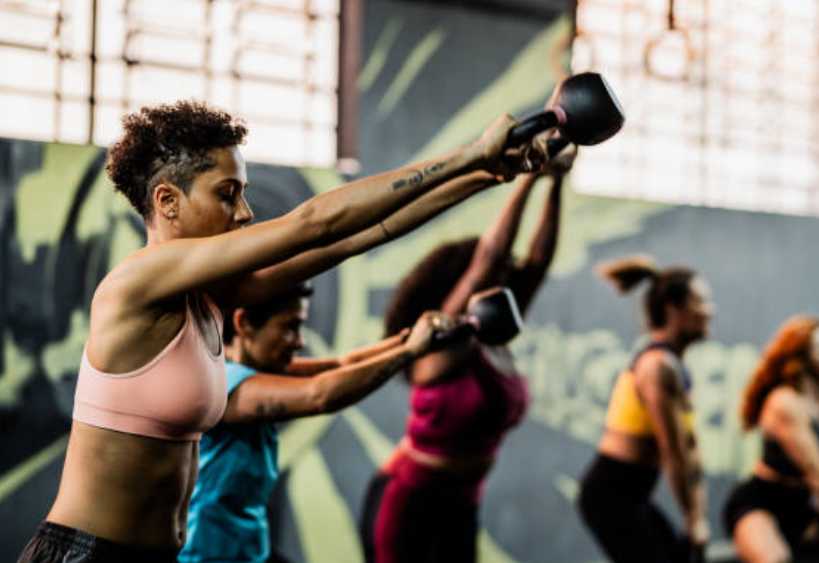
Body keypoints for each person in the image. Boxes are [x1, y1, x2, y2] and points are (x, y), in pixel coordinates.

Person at [16, 100, 544, 563]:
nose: (244, 213)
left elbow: (352, 240)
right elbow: (313, 224)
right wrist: (468, 153)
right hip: (87, 555)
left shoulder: (207, 298)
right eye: (228, 194)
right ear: (166, 202)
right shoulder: (136, 283)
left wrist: (485, 177)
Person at [359, 150, 575, 563]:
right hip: (408, 504)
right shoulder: (446, 340)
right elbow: (486, 264)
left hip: (463, 504)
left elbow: (538, 262)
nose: (500, 280)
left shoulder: (494, 336)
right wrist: (530, 178)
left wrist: (557, 183)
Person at [178, 282, 448, 563]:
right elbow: (320, 395)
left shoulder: (258, 371)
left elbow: (341, 365)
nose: (299, 341)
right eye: (289, 327)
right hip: (207, 556)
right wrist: (410, 353)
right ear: (244, 323)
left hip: (247, 550)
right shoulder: (225, 385)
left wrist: (408, 340)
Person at [577, 255, 714, 563]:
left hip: (632, 496)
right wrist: (693, 518)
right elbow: (674, 451)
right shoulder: (657, 366)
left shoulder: (673, 364)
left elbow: (690, 448)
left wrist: (698, 512)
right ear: (673, 309)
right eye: (701, 302)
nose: (710, 311)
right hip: (609, 496)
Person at [724, 316, 819, 563]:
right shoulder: (784, 401)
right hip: (761, 502)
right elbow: (814, 469)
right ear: (802, 349)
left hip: (802, 505)